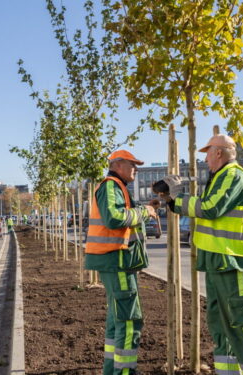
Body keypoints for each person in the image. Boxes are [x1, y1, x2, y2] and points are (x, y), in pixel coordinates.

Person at [160, 135, 243, 375]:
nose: (205, 159)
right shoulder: (220, 178)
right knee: (220, 326)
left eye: (207, 153)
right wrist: (173, 200)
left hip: (235, 262)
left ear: (218, 153)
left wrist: (179, 196)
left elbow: (210, 208)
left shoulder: (234, 176)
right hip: (218, 261)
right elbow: (203, 206)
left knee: (240, 325)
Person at [84, 149, 157, 374]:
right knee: (128, 320)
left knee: (117, 320)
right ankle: (123, 372)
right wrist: (144, 212)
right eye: (132, 164)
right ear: (117, 165)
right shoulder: (110, 186)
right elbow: (114, 219)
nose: (136, 168)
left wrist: (146, 209)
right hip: (116, 261)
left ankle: (112, 370)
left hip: (116, 260)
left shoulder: (118, 187)